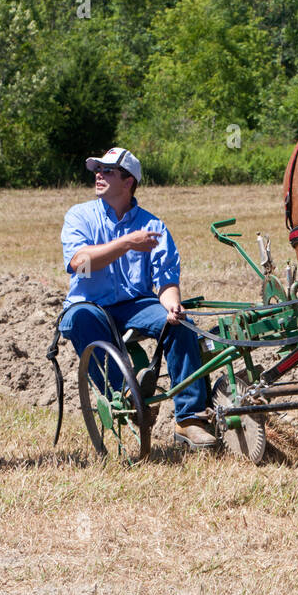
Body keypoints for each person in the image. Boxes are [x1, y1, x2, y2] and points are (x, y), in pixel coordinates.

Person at [59, 147, 218, 449]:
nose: (98, 175)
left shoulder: (153, 227)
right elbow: (80, 264)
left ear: (128, 181)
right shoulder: (80, 215)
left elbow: (166, 278)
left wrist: (172, 303)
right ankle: (128, 397)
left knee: (180, 325)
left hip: (136, 305)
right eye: (98, 170)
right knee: (79, 319)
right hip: (90, 304)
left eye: (107, 171)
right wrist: (127, 243)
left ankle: (190, 419)